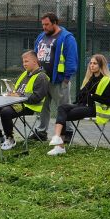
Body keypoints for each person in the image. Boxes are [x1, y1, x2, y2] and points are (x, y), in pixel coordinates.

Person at [47, 54, 110, 156]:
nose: (92, 65)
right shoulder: (89, 79)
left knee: (64, 115)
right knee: (62, 107)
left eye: (95, 63)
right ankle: (57, 138)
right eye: (91, 63)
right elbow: (81, 96)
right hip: (82, 105)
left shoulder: (106, 81)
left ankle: (60, 146)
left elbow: (109, 101)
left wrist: (93, 96)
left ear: (101, 65)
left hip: (94, 109)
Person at [0, 50, 49, 150]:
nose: (24, 64)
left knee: (5, 112)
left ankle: (10, 139)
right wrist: (10, 93)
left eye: (26, 61)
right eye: (23, 62)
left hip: (28, 106)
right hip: (14, 102)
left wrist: (19, 96)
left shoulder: (42, 77)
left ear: (35, 61)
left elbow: (37, 98)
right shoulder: (24, 74)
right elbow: (16, 90)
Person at [33, 12, 78, 141]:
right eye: (43, 24)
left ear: (55, 23)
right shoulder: (41, 36)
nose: (44, 27)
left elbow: (71, 59)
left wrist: (66, 78)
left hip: (59, 80)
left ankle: (67, 132)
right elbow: (35, 54)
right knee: (42, 106)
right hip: (42, 79)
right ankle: (41, 132)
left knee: (63, 107)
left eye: (47, 24)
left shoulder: (66, 38)